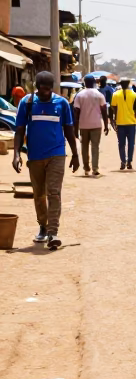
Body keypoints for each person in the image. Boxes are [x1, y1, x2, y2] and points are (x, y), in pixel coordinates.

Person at [12, 71, 79, 249]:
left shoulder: (62, 103)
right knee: (39, 194)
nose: (46, 93)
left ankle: (53, 232)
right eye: (43, 90)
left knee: (54, 193)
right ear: (36, 88)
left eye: (49, 90)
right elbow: (19, 130)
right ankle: (43, 226)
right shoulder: (27, 103)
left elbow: (69, 129)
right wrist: (16, 154)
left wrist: (75, 154)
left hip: (57, 154)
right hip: (35, 156)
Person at [73, 75, 109, 177]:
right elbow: (104, 111)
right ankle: (95, 168)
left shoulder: (79, 95)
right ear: (94, 83)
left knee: (84, 147)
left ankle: (86, 168)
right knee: (95, 147)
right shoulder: (99, 95)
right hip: (96, 124)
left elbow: (76, 112)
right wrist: (106, 125)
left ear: (84, 83)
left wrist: (75, 129)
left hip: (83, 125)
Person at [111, 78, 136, 170]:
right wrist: (135, 117)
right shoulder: (134, 94)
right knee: (131, 143)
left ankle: (123, 161)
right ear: (128, 84)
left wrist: (114, 119)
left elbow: (114, 108)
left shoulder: (115, 94)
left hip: (120, 123)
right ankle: (129, 161)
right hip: (131, 123)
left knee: (121, 143)